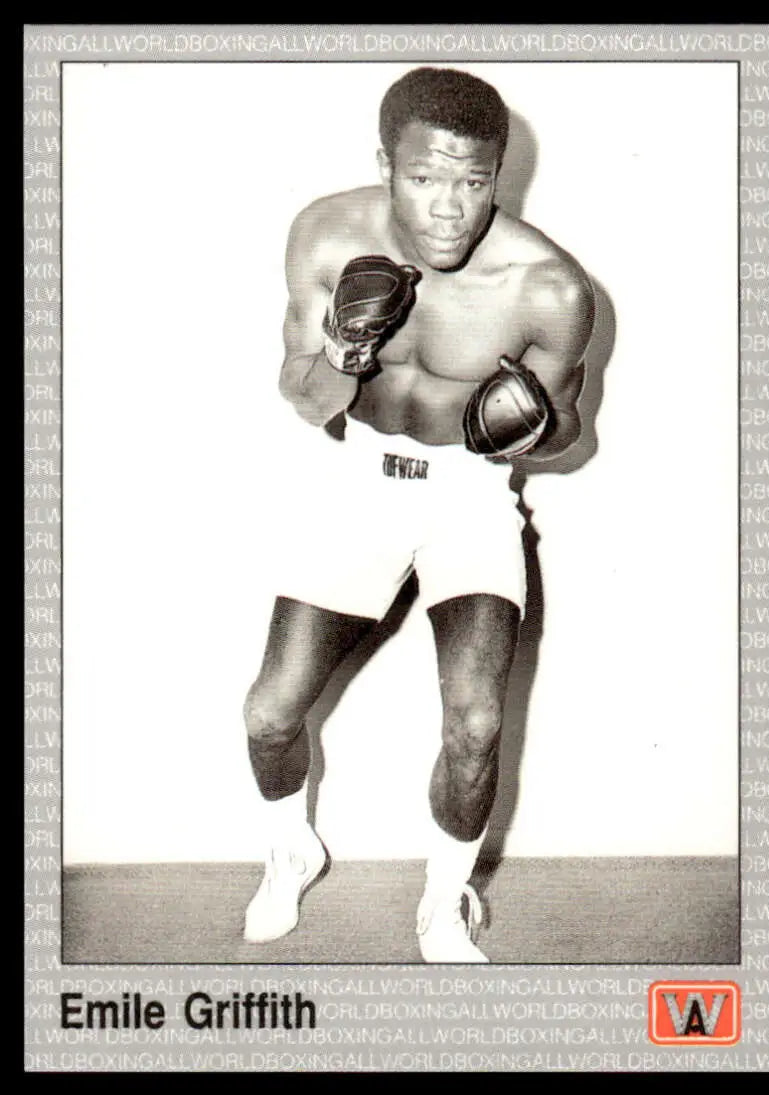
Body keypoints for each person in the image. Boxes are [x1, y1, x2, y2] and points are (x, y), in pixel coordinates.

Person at [243, 67, 595, 962]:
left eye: (473, 183)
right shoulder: (325, 233)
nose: (449, 208)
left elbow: (563, 439)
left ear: (499, 176)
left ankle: (445, 900)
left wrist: (534, 425)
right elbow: (302, 390)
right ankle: (292, 846)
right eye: (425, 178)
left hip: (468, 495)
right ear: (385, 164)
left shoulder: (548, 287)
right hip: (358, 479)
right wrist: (343, 350)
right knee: (270, 714)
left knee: (476, 722)